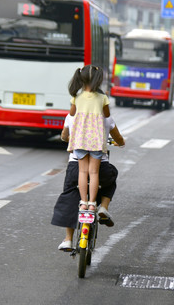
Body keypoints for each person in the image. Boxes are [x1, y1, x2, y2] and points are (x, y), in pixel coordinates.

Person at [51, 113, 125, 251]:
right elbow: (119, 138)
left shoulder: (72, 116)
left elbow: (64, 136)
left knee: (71, 194)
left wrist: (68, 138)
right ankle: (103, 207)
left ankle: (68, 239)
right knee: (111, 177)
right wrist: (120, 143)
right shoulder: (105, 117)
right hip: (101, 167)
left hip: (75, 167)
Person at [67, 65, 110, 212]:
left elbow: (72, 114)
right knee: (94, 173)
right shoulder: (103, 98)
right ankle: (92, 203)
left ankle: (83, 202)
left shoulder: (76, 97)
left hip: (80, 139)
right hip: (96, 140)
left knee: (82, 172)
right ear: (98, 80)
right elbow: (107, 115)